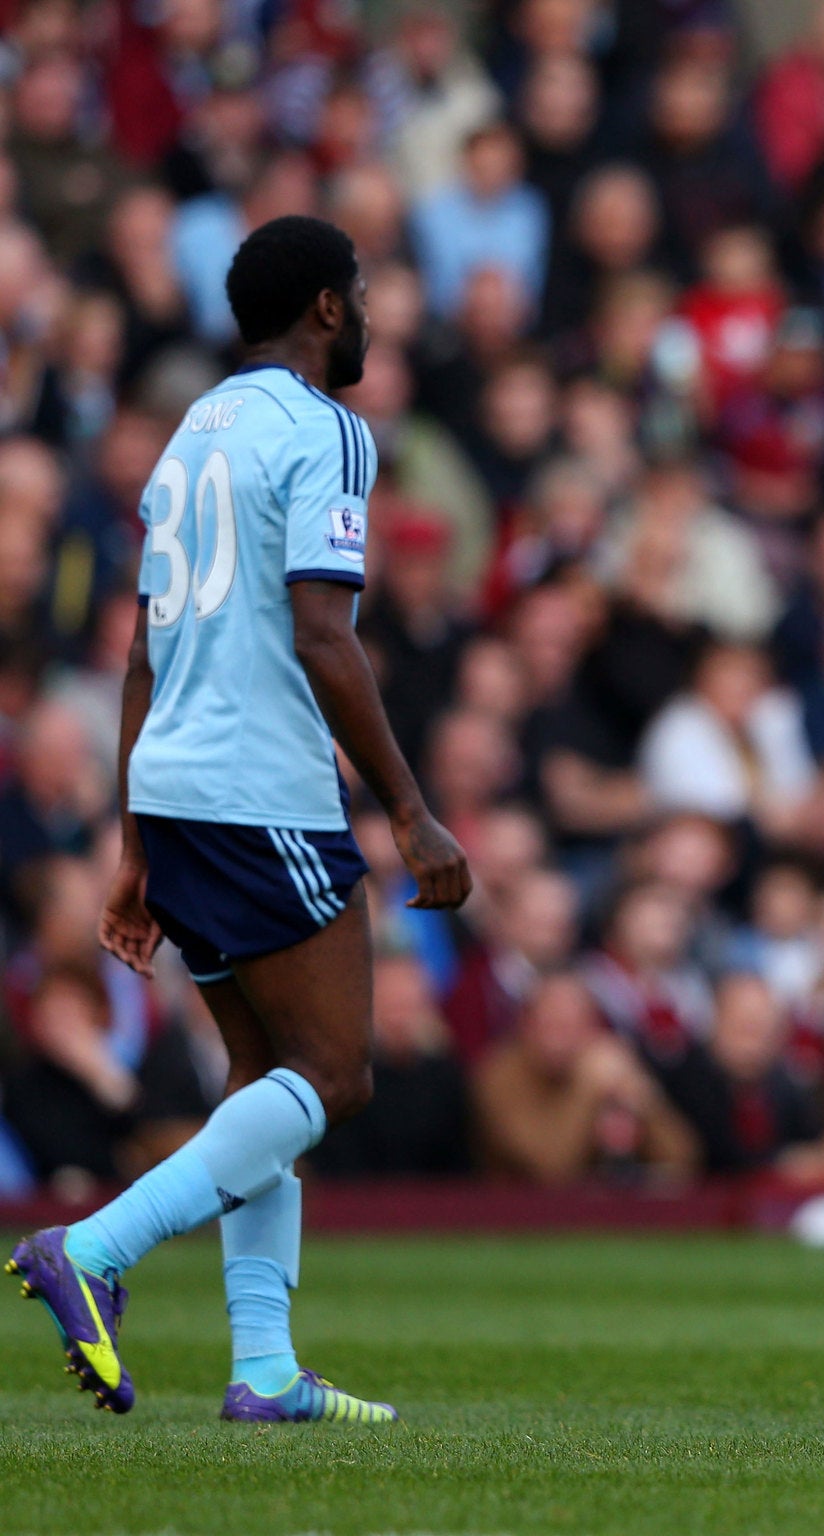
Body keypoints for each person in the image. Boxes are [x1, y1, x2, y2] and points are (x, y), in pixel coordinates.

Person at [8, 215, 472, 1425]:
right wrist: (412, 813)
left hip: (175, 783)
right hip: (262, 785)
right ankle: (96, 1250)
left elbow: (141, 652)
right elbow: (324, 633)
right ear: (325, 306)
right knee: (337, 1073)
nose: (366, 313)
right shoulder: (327, 431)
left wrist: (131, 841)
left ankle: (263, 1368)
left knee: (262, 1075)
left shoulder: (190, 434)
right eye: (359, 293)